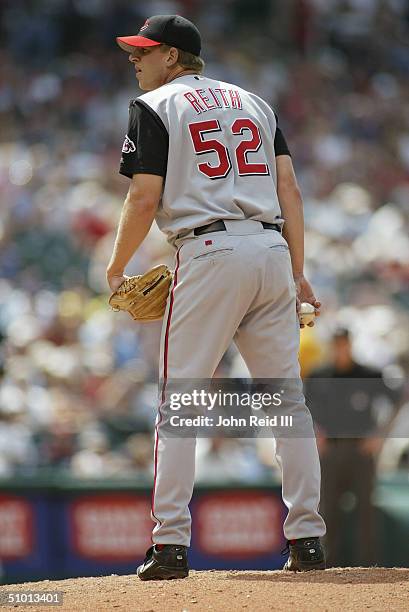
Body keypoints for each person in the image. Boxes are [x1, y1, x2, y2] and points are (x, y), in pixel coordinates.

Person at [107, 14, 326, 579]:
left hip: (207, 253)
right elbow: (289, 191)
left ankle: (171, 544)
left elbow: (144, 195)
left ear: (174, 57)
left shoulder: (156, 105)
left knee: (179, 403)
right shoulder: (257, 103)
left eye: (145, 51)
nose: (136, 58)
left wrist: (116, 265)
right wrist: (298, 273)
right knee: (287, 403)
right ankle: (307, 538)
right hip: (271, 251)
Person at [306, 327, 386, 567]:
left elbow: (394, 400)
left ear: (350, 345)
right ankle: (329, 564)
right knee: (328, 509)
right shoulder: (319, 375)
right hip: (331, 450)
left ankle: (369, 564)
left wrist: (379, 435)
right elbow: (302, 407)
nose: (341, 349)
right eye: (337, 344)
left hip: (361, 450)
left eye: (344, 344)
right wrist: (315, 434)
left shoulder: (369, 374)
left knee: (366, 510)